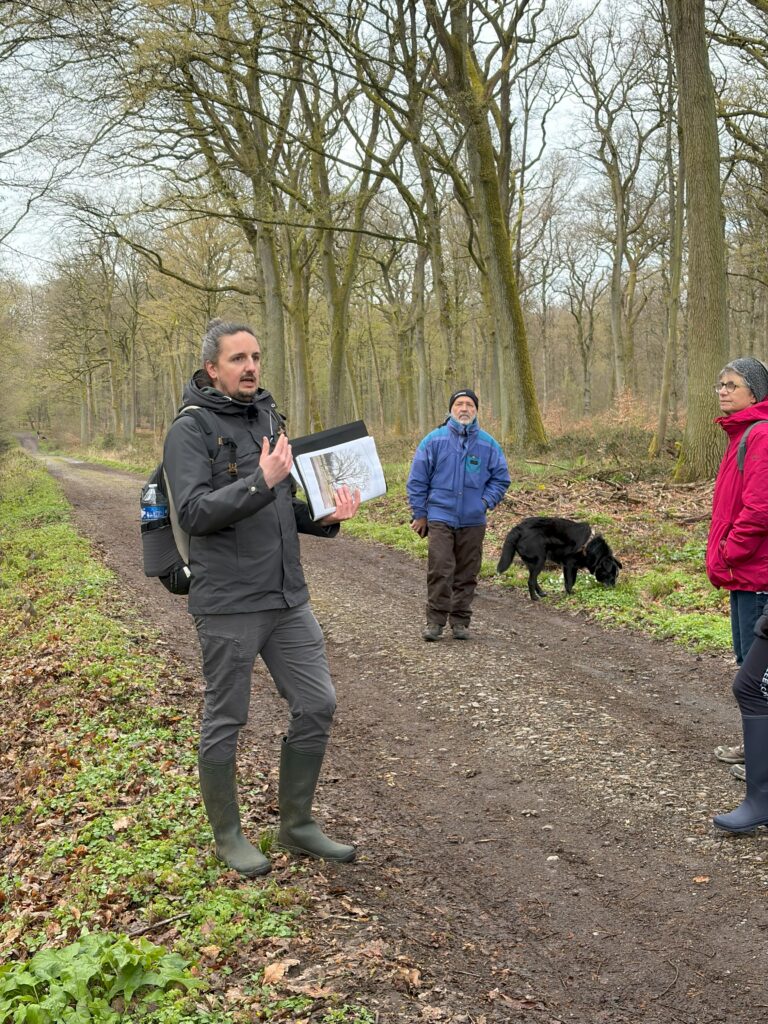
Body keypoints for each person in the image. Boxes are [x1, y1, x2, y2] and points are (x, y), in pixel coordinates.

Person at [163, 318, 360, 877]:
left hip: (286, 598)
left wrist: (325, 516)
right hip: (227, 601)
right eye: (237, 359)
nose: (250, 367)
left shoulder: (268, 418)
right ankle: (228, 836)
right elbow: (195, 512)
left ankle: (295, 825)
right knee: (227, 717)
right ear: (212, 368)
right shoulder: (190, 429)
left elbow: (282, 507)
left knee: (317, 703)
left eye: (255, 356)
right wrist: (261, 481)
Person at [407, 388, 510, 642]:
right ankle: (435, 621)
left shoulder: (488, 443)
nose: (464, 409)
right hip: (440, 516)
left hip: (473, 520)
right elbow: (417, 480)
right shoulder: (434, 440)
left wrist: (485, 501)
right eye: (459, 404)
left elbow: (501, 478)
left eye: (469, 405)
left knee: (467, 572)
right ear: (451, 409)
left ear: (476, 410)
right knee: (440, 568)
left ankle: (461, 621)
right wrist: (420, 514)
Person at [706, 357, 768, 775]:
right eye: (721, 384)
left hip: (756, 571)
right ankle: (755, 745)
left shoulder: (760, 434)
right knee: (747, 660)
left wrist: (731, 550)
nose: (723, 390)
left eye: (732, 384)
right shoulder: (740, 435)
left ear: (755, 393)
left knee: (758, 671)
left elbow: (760, 508)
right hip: (742, 574)